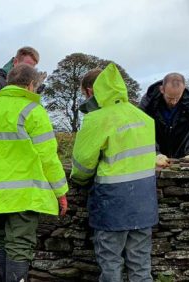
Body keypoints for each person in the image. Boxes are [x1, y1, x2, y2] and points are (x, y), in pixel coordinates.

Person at [0, 64, 68, 282]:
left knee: (0, 241)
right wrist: (60, 191)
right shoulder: (33, 111)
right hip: (24, 195)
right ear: (32, 85)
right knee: (19, 246)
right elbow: (48, 156)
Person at [70, 63, 158, 282]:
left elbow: (82, 166)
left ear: (91, 91)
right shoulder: (142, 117)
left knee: (110, 262)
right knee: (140, 265)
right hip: (144, 201)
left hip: (112, 203)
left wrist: (79, 180)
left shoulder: (97, 119)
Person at [138, 73, 189, 160]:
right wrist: (155, 152)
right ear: (162, 89)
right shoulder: (149, 100)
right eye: (169, 98)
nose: (173, 102)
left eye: (177, 98)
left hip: (184, 148)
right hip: (156, 149)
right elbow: (141, 127)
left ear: (184, 89)